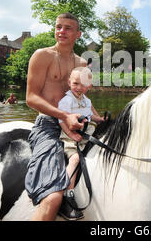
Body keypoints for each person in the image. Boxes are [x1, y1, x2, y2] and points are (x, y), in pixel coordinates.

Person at [24, 12, 93, 221]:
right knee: (53, 197)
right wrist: (64, 115)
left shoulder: (81, 62)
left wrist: (97, 118)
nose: (61, 31)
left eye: (68, 28)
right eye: (58, 27)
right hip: (48, 124)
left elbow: (83, 98)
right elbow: (31, 98)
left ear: (78, 34)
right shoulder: (41, 55)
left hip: (76, 124)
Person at [58, 67, 105, 219]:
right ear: (69, 82)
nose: (79, 88)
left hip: (85, 134)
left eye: (83, 85)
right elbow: (62, 119)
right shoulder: (67, 100)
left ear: (89, 86)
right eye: (75, 84)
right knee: (75, 159)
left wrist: (101, 120)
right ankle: (67, 195)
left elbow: (92, 116)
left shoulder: (86, 100)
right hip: (69, 137)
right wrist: (71, 134)